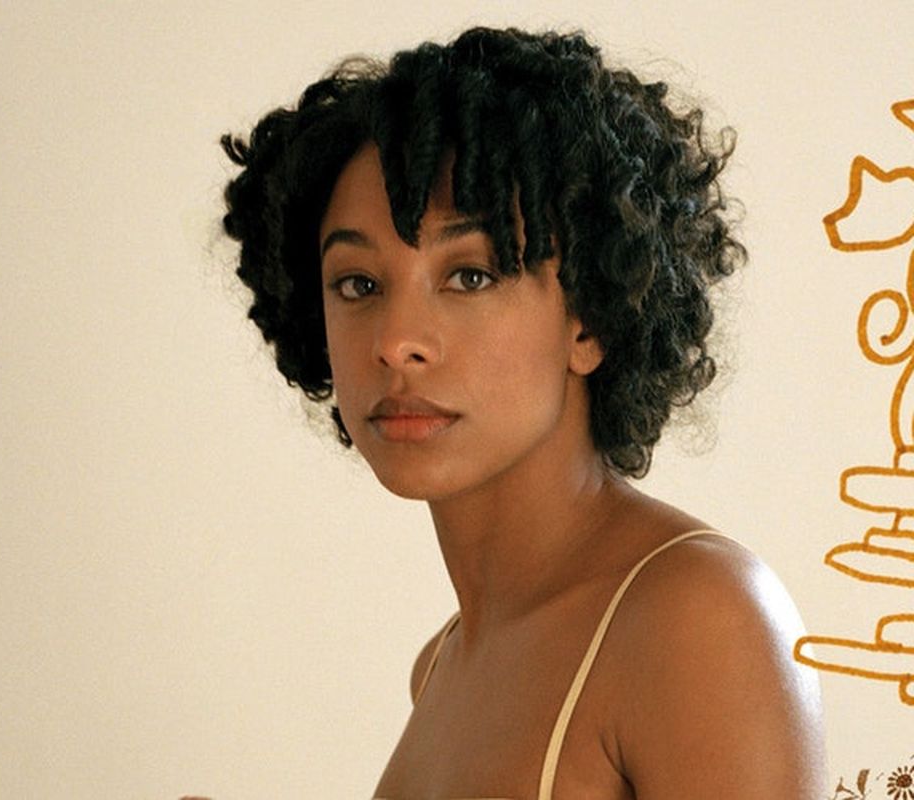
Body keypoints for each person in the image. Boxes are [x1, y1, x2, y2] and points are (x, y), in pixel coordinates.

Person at [218, 26, 826, 799]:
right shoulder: (441, 665)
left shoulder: (699, 618)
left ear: (590, 319)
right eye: (359, 284)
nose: (396, 342)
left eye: (470, 275)